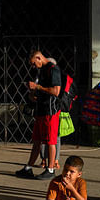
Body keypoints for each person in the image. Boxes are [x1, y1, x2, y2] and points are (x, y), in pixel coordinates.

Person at [15, 51, 61, 180]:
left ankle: (50, 169)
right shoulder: (41, 71)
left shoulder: (53, 69)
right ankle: (28, 168)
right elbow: (41, 89)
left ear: (39, 57)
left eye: (34, 63)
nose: (33, 66)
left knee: (50, 141)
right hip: (40, 110)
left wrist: (38, 87)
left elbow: (56, 91)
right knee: (36, 141)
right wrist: (33, 92)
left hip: (50, 111)